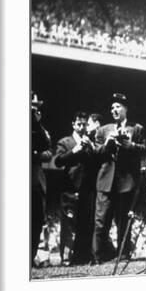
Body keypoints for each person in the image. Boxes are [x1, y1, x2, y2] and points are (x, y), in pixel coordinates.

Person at [92, 93, 146, 264]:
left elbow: (145, 148)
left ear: (125, 108)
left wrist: (131, 145)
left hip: (126, 182)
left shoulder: (136, 128)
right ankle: (97, 256)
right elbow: (95, 153)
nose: (114, 110)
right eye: (112, 107)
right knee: (101, 221)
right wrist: (108, 143)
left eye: (118, 107)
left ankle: (123, 254)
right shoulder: (103, 130)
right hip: (106, 181)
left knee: (123, 221)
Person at [53, 111, 97, 264]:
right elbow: (57, 161)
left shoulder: (89, 142)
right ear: (73, 124)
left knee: (85, 224)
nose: (82, 127)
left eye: (85, 124)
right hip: (69, 189)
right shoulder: (64, 142)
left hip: (86, 190)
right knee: (69, 225)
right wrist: (74, 150)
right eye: (79, 124)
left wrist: (90, 147)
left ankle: (82, 257)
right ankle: (66, 258)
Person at [31, 93, 52, 267]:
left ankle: (30, 258)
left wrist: (35, 123)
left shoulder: (40, 128)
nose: (34, 109)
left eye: (36, 107)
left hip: (35, 180)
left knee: (37, 219)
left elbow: (47, 148)